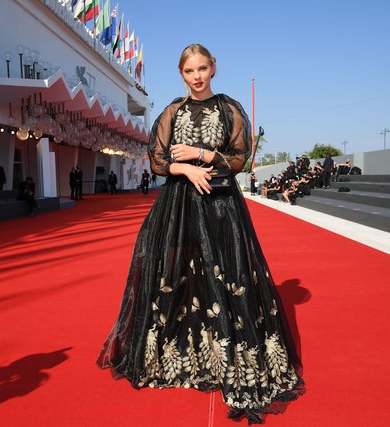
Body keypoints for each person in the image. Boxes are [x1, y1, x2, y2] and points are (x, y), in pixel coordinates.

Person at [96, 44, 304, 425]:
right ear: (181, 74)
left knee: (227, 275)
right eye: (190, 70)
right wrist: (184, 169)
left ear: (214, 68)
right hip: (178, 207)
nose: (197, 76)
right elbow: (157, 160)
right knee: (176, 276)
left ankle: (226, 357)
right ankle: (184, 355)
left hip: (221, 207)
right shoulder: (172, 112)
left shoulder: (229, 109)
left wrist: (202, 155)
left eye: (203, 68)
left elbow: (241, 158)